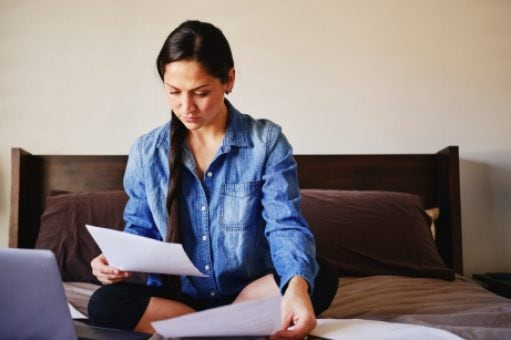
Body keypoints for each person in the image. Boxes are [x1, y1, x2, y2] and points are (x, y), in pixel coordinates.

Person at [88, 20, 338, 339]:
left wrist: (297, 287)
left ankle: (201, 327)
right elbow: (140, 229)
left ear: (229, 80)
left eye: (201, 93)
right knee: (103, 305)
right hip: (176, 298)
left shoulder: (266, 141)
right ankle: (224, 325)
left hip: (249, 291)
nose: (186, 107)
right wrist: (116, 260)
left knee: (317, 274)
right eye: (174, 92)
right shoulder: (147, 151)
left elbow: (285, 224)